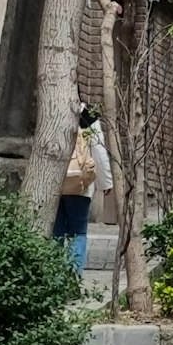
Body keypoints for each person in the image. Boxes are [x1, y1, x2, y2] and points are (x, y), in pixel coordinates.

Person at [52, 106, 112, 276]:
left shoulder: (52, 110)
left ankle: (53, 278)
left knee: (56, 233)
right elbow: (98, 152)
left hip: (55, 183)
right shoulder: (87, 116)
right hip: (81, 184)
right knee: (77, 232)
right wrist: (105, 183)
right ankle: (73, 277)